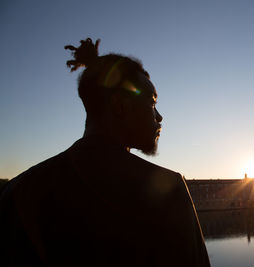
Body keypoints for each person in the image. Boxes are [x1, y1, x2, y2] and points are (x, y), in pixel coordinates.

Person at [0, 38, 210, 266]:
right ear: (121, 106)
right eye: (151, 103)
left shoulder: (20, 189)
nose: (159, 117)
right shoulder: (169, 192)